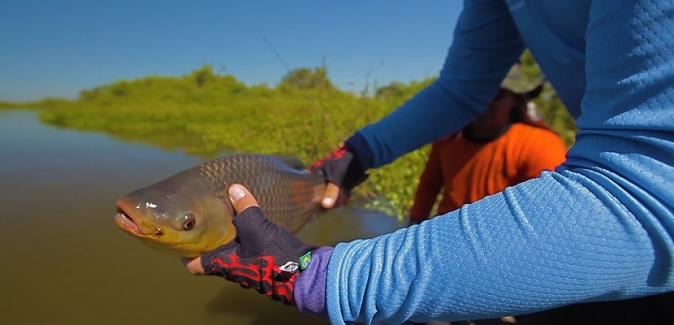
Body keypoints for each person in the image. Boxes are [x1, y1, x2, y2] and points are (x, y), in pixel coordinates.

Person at [182, 1, 674, 324]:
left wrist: (320, 276)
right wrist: (356, 155)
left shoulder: (534, 143)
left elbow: (648, 188)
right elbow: (463, 88)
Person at [407, 61, 567, 227]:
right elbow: (430, 182)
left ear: (515, 99)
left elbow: (550, 214)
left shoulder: (539, 145)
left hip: (502, 240)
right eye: (478, 95)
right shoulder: (448, 138)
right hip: (446, 232)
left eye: (497, 96)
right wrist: (415, 220)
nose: (484, 105)